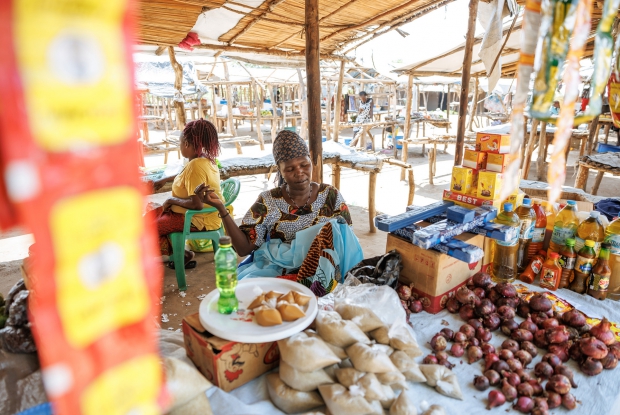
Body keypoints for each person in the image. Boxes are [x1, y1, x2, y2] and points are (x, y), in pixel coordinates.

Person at [196, 130, 364, 296]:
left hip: (324, 272)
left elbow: (346, 239)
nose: (299, 172)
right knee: (251, 296)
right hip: (279, 270)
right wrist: (222, 209)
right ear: (280, 170)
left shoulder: (330, 196)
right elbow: (244, 248)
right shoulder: (268, 201)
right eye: (290, 169)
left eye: (304, 165)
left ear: (311, 161)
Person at [149, 119, 226, 269]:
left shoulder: (195, 166)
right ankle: (182, 254)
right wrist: (166, 179)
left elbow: (196, 204)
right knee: (153, 215)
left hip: (196, 219)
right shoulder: (204, 159)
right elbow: (187, 176)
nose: (179, 147)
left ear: (186, 144)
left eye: (180, 143)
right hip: (200, 215)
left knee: (148, 228)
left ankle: (178, 255)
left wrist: (171, 200)